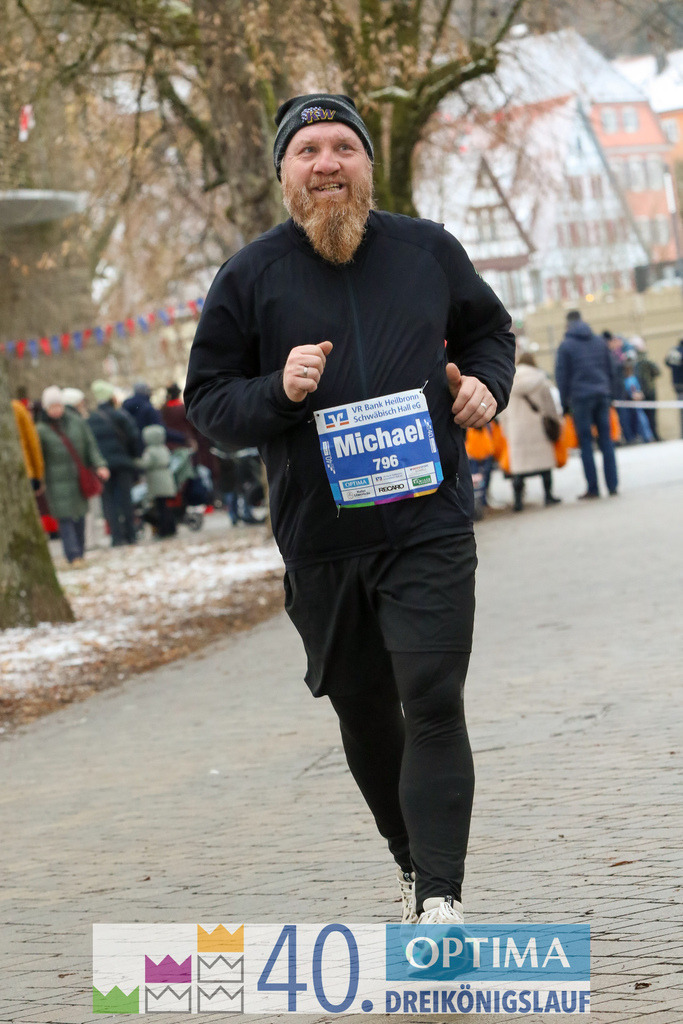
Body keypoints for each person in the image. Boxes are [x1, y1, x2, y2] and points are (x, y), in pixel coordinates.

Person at [184, 93, 516, 925]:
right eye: (307, 151)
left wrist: (485, 386)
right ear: (284, 175)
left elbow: (489, 335)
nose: (326, 163)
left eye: (342, 147)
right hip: (322, 541)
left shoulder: (426, 251)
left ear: (367, 164)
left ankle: (442, 901)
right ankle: (410, 862)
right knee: (367, 715)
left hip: (426, 522)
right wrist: (276, 388)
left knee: (432, 696)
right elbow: (209, 403)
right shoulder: (249, 275)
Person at [35, 386, 109, 565]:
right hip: (56, 481)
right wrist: (39, 479)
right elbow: (38, 458)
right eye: (52, 406)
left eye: (58, 405)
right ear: (46, 408)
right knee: (65, 518)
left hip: (79, 477)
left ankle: (80, 553)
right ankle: (73, 555)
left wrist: (100, 464)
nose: (56, 409)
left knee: (80, 516)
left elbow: (90, 445)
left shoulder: (76, 422)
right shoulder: (40, 429)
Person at [555, 310, 618, 499]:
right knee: (606, 440)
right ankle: (612, 485)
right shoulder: (599, 341)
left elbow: (562, 377)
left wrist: (564, 403)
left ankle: (593, 488)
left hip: (580, 398)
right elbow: (611, 369)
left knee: (586, 443)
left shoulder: (566, 346)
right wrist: (611, 394)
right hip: (602, 395)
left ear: (567, 324)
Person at [499, 352, 562, 511]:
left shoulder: (509, 380)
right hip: (538, 427)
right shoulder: (541, 380)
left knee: (519, 468)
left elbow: (503, 411)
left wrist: (506, 429)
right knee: (545, 465)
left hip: (516, 429)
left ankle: (518, 502)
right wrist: (556, 422)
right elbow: (550, 406)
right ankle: (548, 496)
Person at [88, 380, 142, 547]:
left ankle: (116, 537)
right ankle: (130, 534)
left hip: (104, 466)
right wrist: (133, 456)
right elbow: (134, 437)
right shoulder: (121, 416)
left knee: (109, 501)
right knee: (126, 499)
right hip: (123, 463)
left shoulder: (91, 419)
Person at [135, 424, 177, 538]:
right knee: (166, 507)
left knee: (160, 508)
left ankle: (163, 530)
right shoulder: (164, 448)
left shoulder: (150, 450)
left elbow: (146, 463)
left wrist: (135, 462)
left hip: (156, 481)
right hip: (167, 479)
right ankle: (171, 528)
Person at [664, 338, 683, 438]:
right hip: (680, 385)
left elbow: (667, 362)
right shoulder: (677, 351)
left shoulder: (673, 351)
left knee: (681, 411)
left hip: (677, 385)